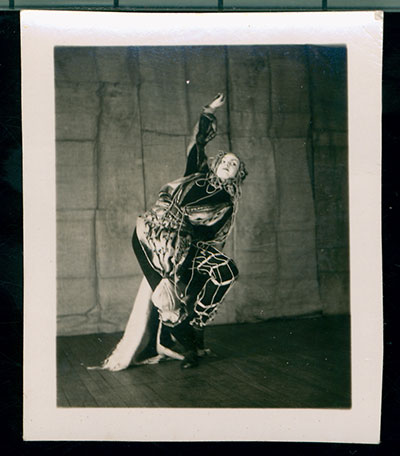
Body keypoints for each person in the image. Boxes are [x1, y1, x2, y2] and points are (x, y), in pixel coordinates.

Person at [99, 93, 247, 371]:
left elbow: (212, 235)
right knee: (165, 298)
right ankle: (189, 349)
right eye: (225, 160)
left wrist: (185, 247)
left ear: (238, 174)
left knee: (225, 272)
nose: (229, 163)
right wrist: (209, 110)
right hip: (151, 235)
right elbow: (199, 142)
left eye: (234, 163)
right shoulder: (196, 175)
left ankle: (197, 324)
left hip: (186, 248)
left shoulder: (227, 203)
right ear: (216, 164)